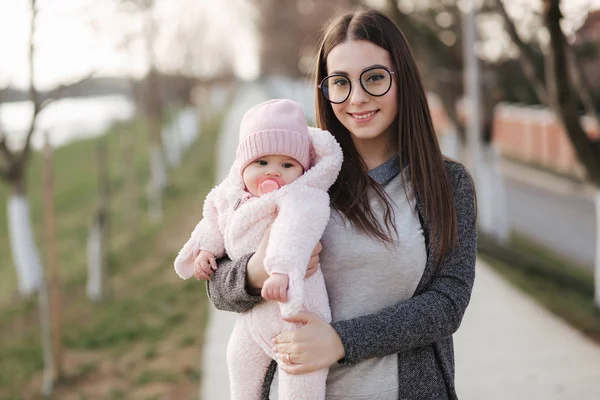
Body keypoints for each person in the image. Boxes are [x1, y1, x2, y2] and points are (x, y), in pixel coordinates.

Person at [207, 7, 477, 400]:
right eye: (340, 82)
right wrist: (258, 269)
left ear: (402, 79)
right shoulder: (297, 169)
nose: (358, 97)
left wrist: (340, 341)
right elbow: (218, 285)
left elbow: (447, 303)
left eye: (374, 78)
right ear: (324, 89)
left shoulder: (448, 184)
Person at [174, 99, 343, 400]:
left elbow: (294, 233)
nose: (273, 173)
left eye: (287, 165)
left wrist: (279, 270)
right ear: (243, 166)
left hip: (296, 313)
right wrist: (204, 252)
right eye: (262, 163)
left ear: (302, 170)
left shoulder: (300, 197)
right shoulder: (231, 197)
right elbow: (213, 224)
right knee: (238, 359)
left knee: (300, 373)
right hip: (255, 316)